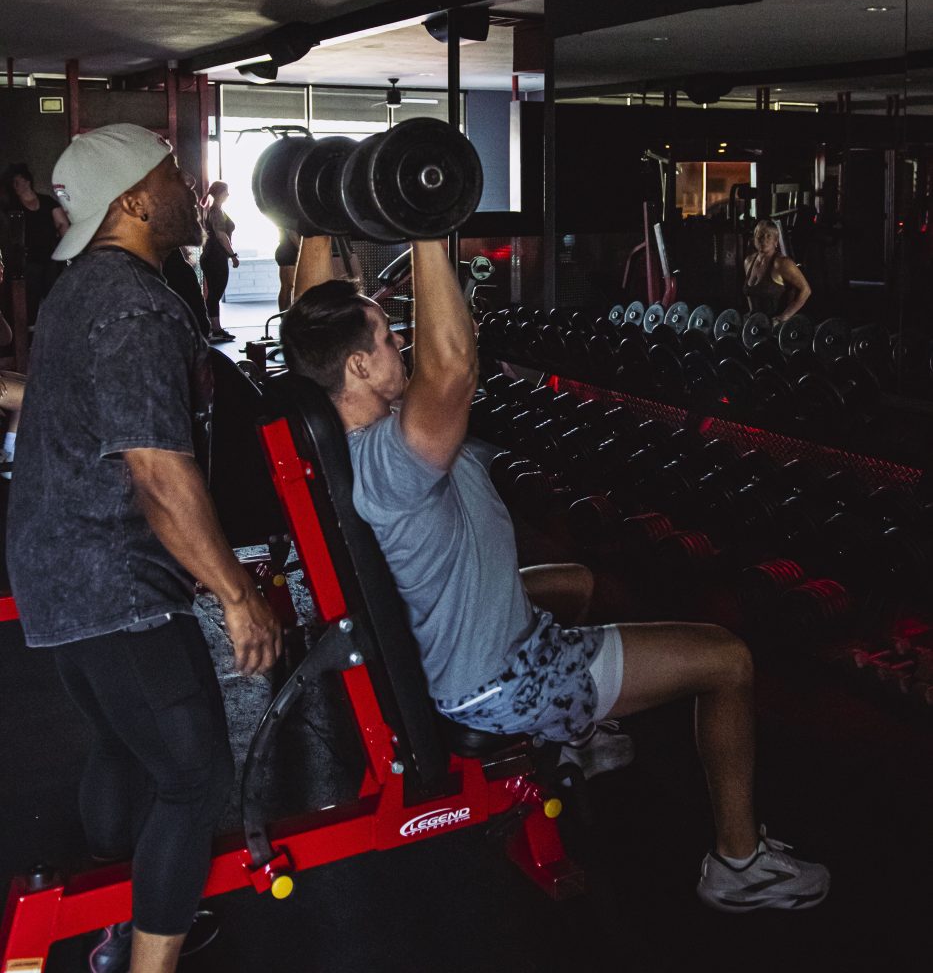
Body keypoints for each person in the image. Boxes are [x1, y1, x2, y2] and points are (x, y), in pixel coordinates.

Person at [281, 235, 830, 913]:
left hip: (451, 632)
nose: (403, 345)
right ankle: (739, 864)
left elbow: (313, 327)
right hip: (501, 680)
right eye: (391, 341)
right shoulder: (393, 463)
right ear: (360, 366)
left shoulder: (348, 430)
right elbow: (452, 369)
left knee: (577, 582)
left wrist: (313, 230)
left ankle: (578, 739)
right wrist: (427, 230)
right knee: (727, 659)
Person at [5, 124, 281, 973]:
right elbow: (158, 473)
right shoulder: (134, 305)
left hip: (59, 572)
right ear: (132, 200)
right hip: (112, 582)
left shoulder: (77, 290)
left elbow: (61, 404)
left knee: (125, 743)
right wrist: (238, 595)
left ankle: (120, 916)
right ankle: (146, 955)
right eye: (174, 176)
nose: (191, 188)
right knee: (193, 779)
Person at [1, 162, 70, 323]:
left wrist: (66, 249)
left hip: (50, 258)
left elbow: (63, 223)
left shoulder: (47, 202)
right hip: (27, 261)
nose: (16, 186)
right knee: (29, 300)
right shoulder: (12, 207)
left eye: (18, 181)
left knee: (53, 297)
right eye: (13, 183)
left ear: (27, 181)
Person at [743, 218, 812, 324]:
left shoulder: (782, 263)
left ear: (776, 241)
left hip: (775, 327)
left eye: (769, 236)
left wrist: (783, 317)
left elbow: (806, 290)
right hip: (754, 325)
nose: (764, 239)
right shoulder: (748, 261)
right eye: (760, 235)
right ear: (754, 238)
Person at [199, 181, 238, 343]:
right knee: (215, 293)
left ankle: (215, 328)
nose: (228, 194)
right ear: (220, 193)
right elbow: (221, 236)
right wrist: (233, 255)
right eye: (226, 191)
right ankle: (215, 329)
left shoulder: (215, 210)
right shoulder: (215, 211)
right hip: (215, 256)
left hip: (213, 256)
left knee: (215, 293)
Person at [274, 227, 301, 311]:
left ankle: (284, 316)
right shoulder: (291, 219)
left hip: (286, 250)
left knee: (286, 287)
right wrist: (301, 251)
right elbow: (292, 232)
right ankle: (285, 316)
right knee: (289, 287)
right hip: (289, 251)